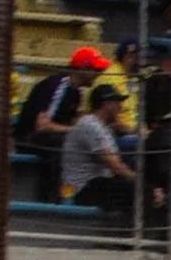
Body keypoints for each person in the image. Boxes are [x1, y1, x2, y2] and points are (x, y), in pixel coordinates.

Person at [18, 46, 112, 201]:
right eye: (96, 70)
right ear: (83, 69)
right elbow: (42, 126)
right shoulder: (57, 85)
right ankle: (51, 198)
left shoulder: (76, 93)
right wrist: (76, 130)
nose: (98, 75)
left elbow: (72, 123)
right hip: (30, 137)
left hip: (53, 138)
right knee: (63, 146)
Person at [60, 86, 159, 223]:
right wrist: (146, 185)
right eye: (117, 102)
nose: (121, 107)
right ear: (106, 104)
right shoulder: (90, 125)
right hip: (82, 188)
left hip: (98, 183)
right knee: (140, 191)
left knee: (146, 188)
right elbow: (115, 166)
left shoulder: (104, 126)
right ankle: (129, 237)